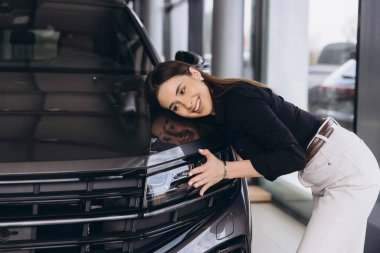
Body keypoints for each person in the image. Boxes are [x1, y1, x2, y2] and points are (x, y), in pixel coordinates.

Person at [145, 60, 380, 253]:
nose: (186, 104)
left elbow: (292, 156)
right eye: (175, 107)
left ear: (195, 73)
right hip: (330, 170)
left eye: (182, 90)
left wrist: (224, 170)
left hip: (347, 171)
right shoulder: (219, 114)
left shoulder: (238, 101)